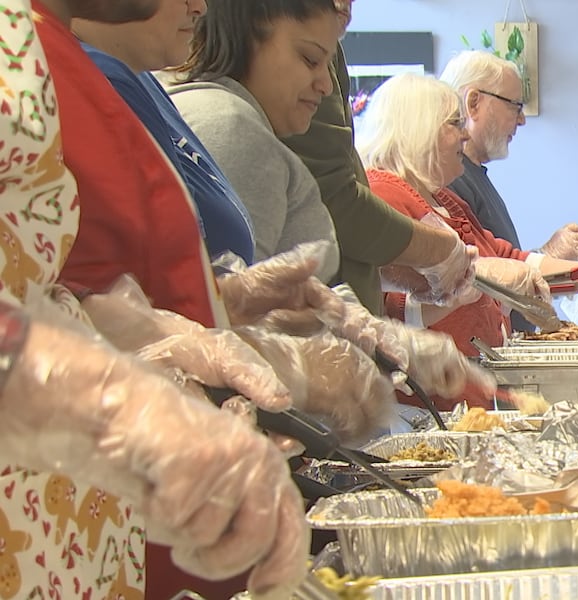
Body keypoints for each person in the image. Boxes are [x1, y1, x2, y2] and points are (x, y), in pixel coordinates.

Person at [2, 0, 307, 597]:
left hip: (75, 538)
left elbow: (33, 276)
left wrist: (140, 335)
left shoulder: (33, 42)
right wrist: (112, 400)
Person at [356, 73, 578, 410]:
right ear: (417, 127)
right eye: (454, 124)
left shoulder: (444, 200)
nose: (465, 135)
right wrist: (479, 281)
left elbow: (513, 261)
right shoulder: (384, 195)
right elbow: (391, 313)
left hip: (471, 395)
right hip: (426, 405)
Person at [283, 0, 480, 315]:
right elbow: (338, 205)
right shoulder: (388, 189)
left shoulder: (439, 194)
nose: (323, 84)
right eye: (309, 59)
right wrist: (440, 251)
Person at [160, 0, 342, 280]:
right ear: (246, 39)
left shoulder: (197, 108)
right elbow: (239, 303)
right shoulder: (233, 128)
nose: (326, 85)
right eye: (310, 59)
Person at [73, 0, 256, 263]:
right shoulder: (100, 79)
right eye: (308, 59)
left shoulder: (139, 77)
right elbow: (163, 268)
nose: (199, 7)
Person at [440, 50, 578, 331]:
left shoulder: (474, 175)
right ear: (473, 102)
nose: (522, 120)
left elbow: (499, 267)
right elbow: (476, 281)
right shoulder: (452, 181)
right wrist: (548, 252)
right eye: (515, 105)